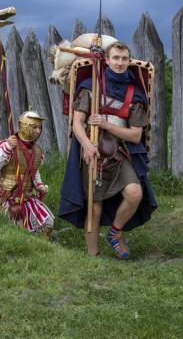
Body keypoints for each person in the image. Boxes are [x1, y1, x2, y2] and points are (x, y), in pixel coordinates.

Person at [59, 41, 157, 258]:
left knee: (135, 193)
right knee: (95, 207)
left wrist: (107, 124)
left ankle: (115, 232)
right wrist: (86, 144)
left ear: (129, 61)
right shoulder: (89, 85)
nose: (120, 63)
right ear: (107, 60)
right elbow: (77, 122)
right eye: (115, 58)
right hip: (93, 152)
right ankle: (93, 256)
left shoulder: (135, 94)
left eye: (124, 59)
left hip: (119, 154)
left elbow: (135, 135)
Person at [0, 110, 54, 236]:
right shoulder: (8, 145)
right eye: (34, 127)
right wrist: (7, 148)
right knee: (14, 231)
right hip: (6, 198)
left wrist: (39, 185)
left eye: (40, 128)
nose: (38, 131)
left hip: (26, 198)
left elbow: (34, 170)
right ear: (24, 125)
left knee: (48, 224)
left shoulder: (37, 151)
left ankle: (38, 249)